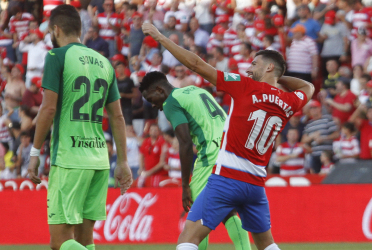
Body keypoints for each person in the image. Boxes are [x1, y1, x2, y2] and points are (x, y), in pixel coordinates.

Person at [142, 23, 314, 250]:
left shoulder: (245, 87)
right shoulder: (290, 102)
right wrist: (277, 80)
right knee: (267, 245)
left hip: (227, 179)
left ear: (269, 67)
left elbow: (195, 64)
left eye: (254, 64)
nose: (249, 69)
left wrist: (159, 37)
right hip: (255, 185)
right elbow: (308, 86)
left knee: (187, 240)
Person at [27, 5, 132, 250]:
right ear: (80, 29)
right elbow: (117, 117)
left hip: (70, 159)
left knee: (60, 242)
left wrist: (34, 153)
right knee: (85, 241)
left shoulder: (57, 56)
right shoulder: (104, 62)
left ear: (56, 29)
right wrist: (123, 161)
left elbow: (48, 109)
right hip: (99, 160)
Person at [139, 71, 252, 250]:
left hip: (211, 154)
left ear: (159, 89)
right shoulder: (195, 90)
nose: (152, 104)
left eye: (150, 98)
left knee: (196, 214)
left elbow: (184, 143)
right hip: (232, 150)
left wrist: (185, 185)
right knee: (227, 210)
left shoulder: (171, 102)